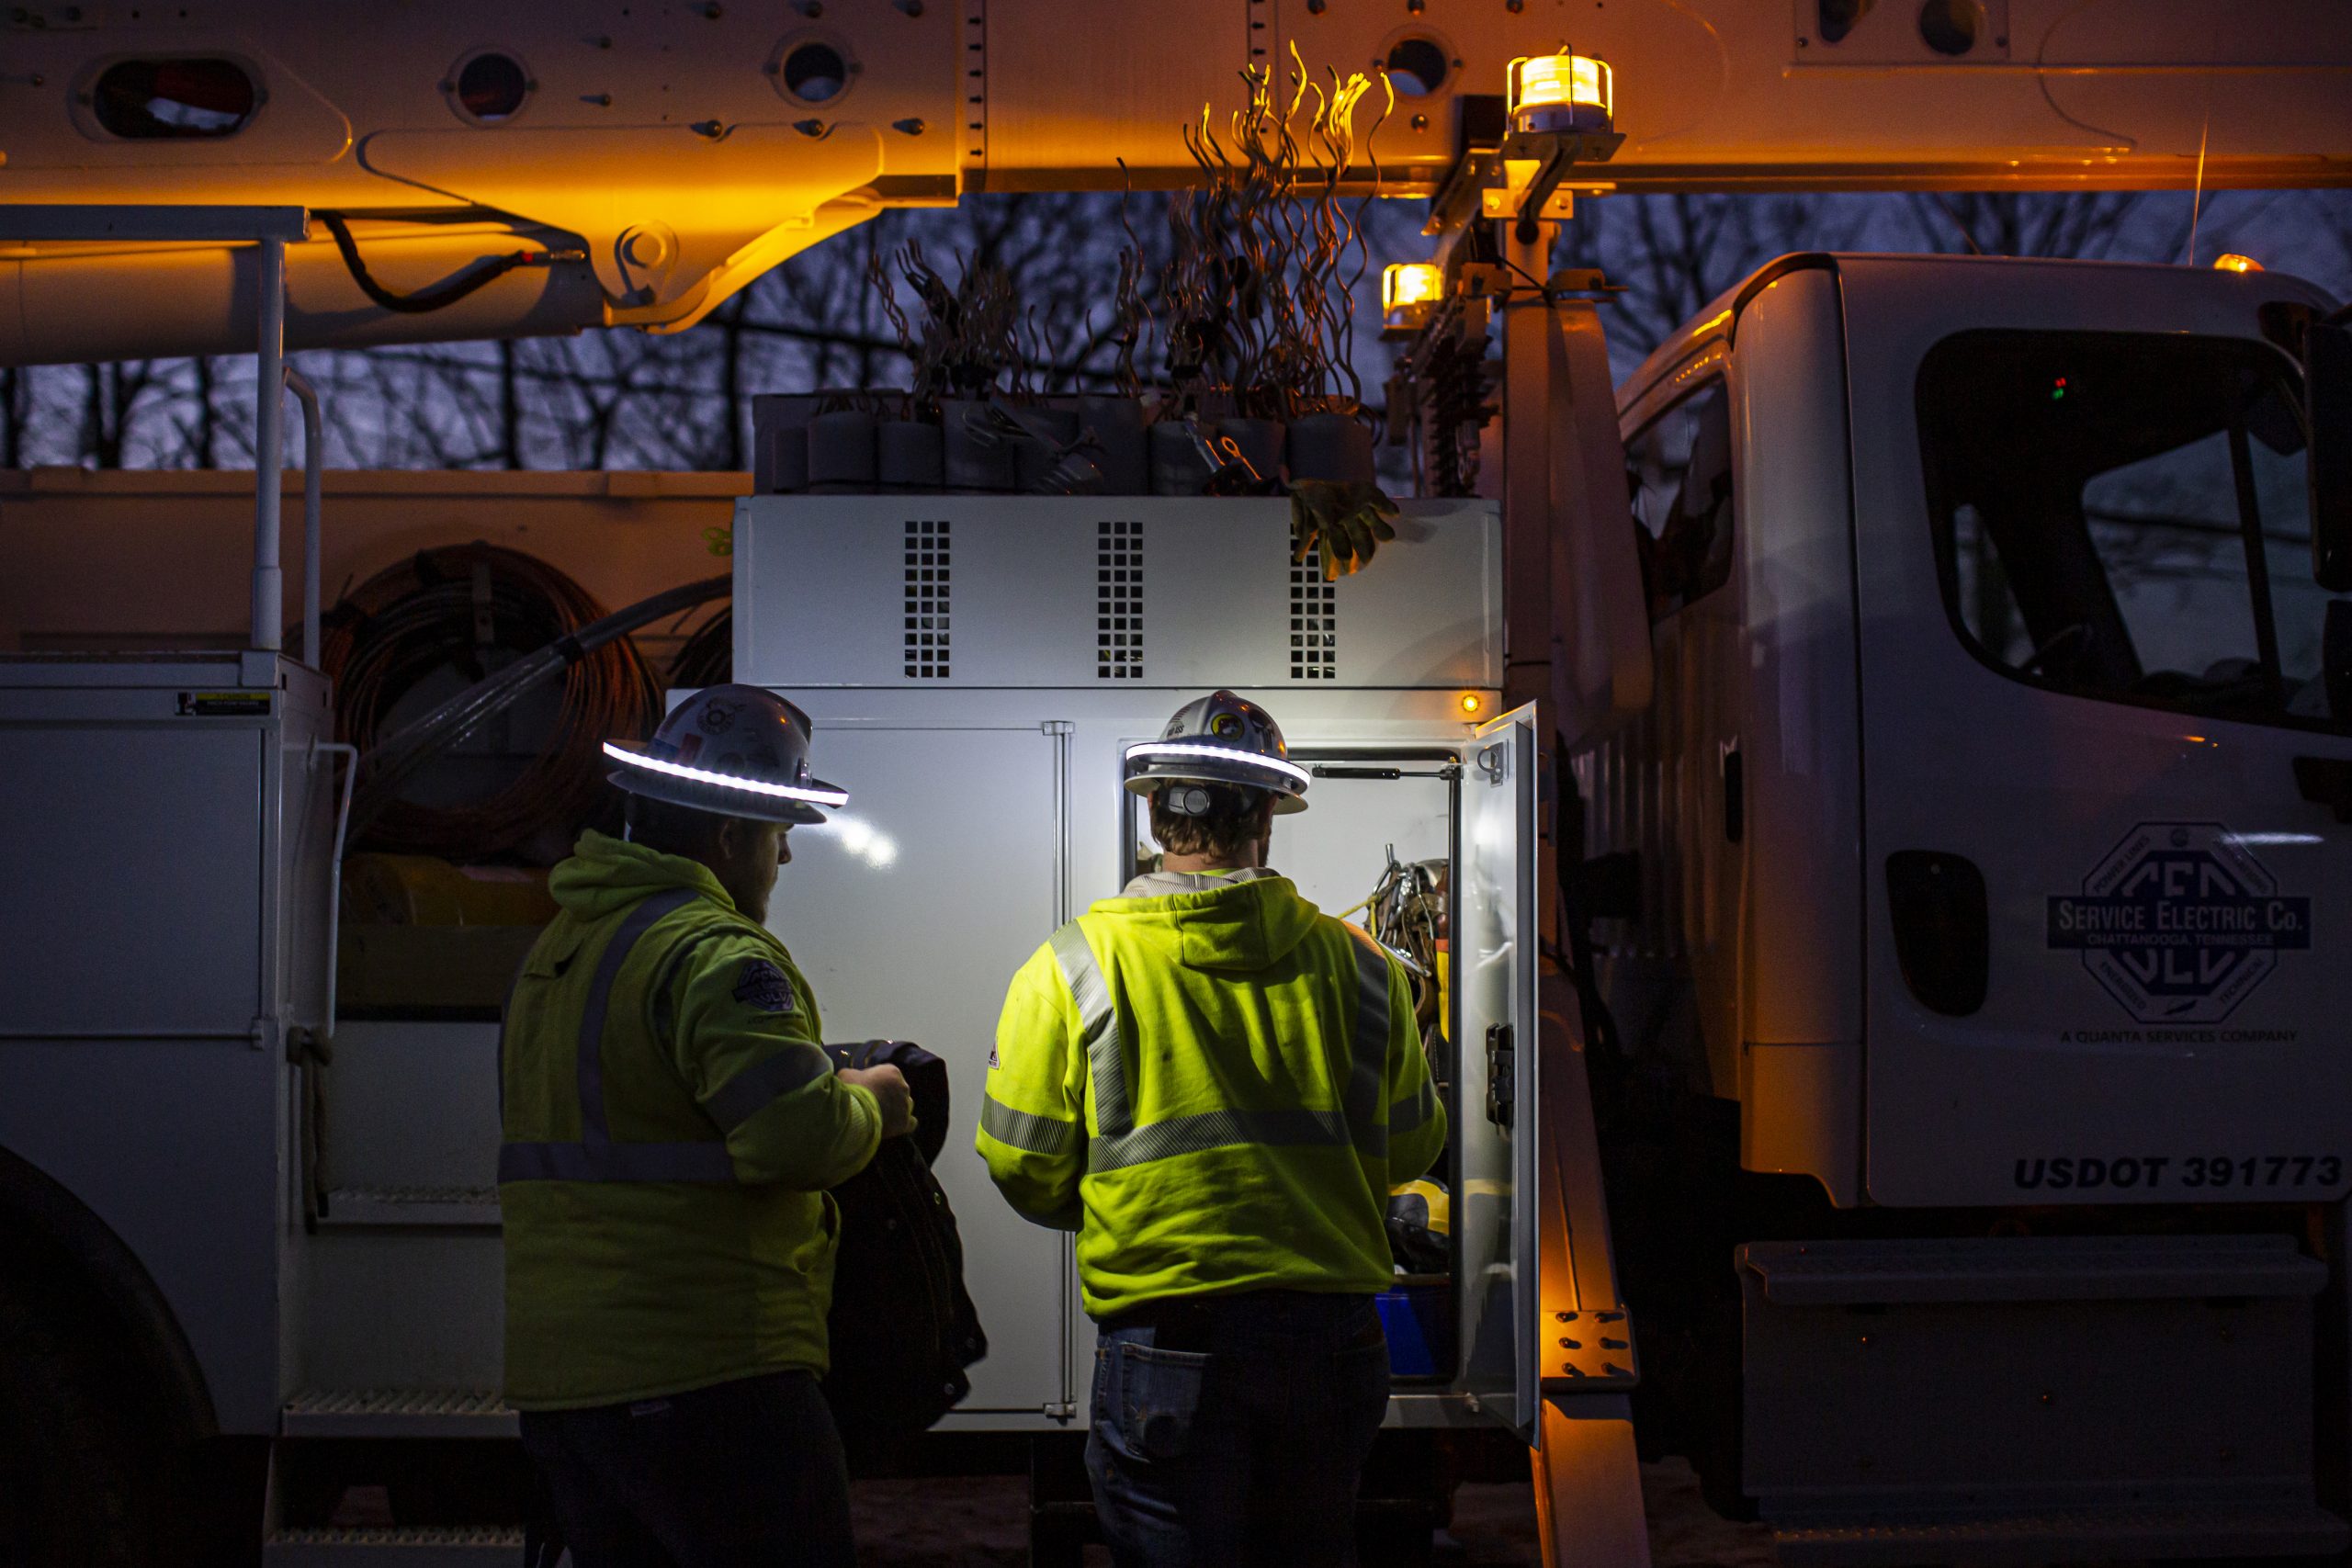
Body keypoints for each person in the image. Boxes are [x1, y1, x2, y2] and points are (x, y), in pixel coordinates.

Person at [978, 690, 1447, 1568]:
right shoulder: (1367, 967)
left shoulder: (1070, 964)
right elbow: (1415, 1148)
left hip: (1168, 1347)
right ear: (1267, 812)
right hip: (1330, 1343)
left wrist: (1134, 1202)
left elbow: (1024, 1166)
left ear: (1155, 810)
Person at [499, 684, 914, 1568]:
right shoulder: (716, 952)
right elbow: (792, 1138)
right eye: (778, 834)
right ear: (730, 837)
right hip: (709, 1371)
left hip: (566, 1384)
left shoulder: (561, 953)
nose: (785, 859)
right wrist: (873, 1101)